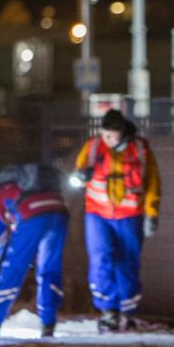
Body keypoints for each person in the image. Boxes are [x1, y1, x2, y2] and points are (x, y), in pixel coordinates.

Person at [71, 109, 160, 332]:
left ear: (123, 133)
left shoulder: (140, 149)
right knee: (101, 260)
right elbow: (78, 174)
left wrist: (151, 213)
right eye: (105, 135)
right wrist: (81, 176)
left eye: (112, 136)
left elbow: (153, 183)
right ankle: (107, 310)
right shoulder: (93, 147)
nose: (108, 140)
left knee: (127, 262)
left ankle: (128, 311)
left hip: (130, 216)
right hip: (97, 214)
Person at [0, 163, 69, 337]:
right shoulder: (27, 187)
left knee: (13, 269)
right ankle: (48, 323)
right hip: (59, 210)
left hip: (32, 215)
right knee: (50, 269)